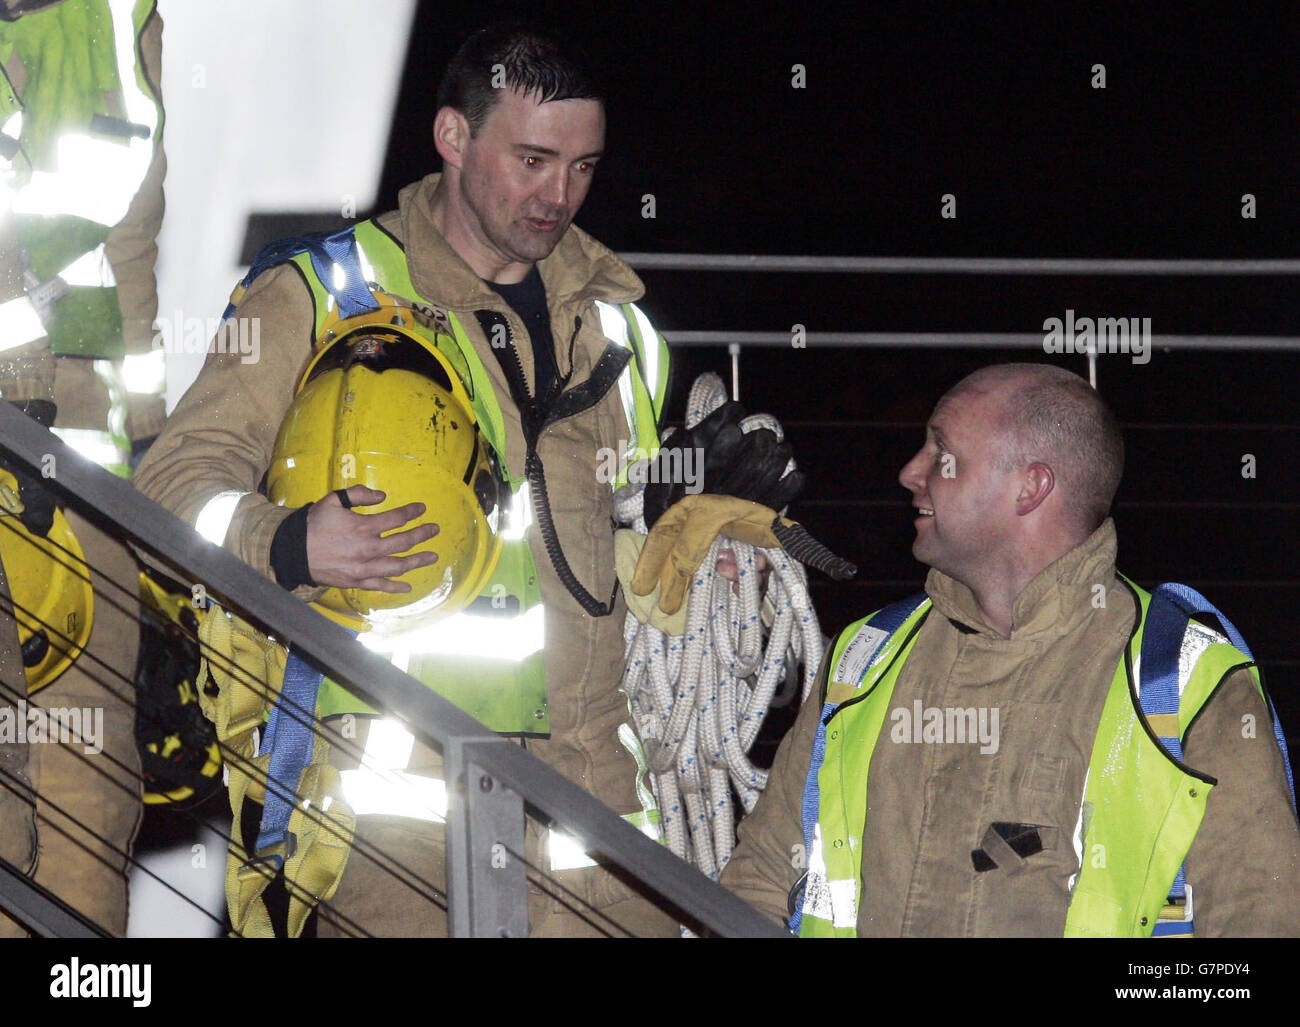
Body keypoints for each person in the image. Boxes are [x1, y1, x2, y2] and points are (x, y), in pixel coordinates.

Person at [134, 24, 685, 937]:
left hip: (602, 821)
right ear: (453, 137)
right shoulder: (323, 292)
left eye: (584, 167)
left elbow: (646, 541)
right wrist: (285, 540)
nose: (561, 196)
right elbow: (167, 487)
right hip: (393, 823)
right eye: (535, 160)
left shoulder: (623, 331)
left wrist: (716, 533)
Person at [720, 362, 1300, 936]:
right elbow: (763, 878)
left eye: (940, 454)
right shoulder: (864, 658)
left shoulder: (1185, 681)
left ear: (1031, 486)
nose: (909, 473)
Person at [0, 0, 166, 937]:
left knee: (84, 813)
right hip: (34, 444)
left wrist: (151, 445)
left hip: (80, 480)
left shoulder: (120, 15)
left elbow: (132, 245)